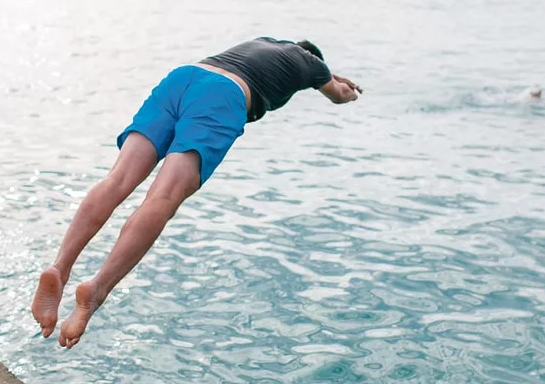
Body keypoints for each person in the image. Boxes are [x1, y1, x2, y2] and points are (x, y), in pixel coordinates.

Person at [30, 37, 362, 348]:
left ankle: (61, 267)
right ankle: (97, 289)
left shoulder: (267, 44)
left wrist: (323, 74)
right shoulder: (312, 66)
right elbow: (337, 93)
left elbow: (302, 66)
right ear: (315, 61)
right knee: (161, 199)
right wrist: (348, 90)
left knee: (117, 181)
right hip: (222, 96)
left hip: (182, 78)